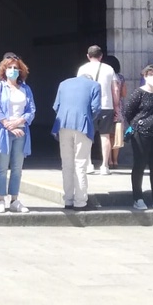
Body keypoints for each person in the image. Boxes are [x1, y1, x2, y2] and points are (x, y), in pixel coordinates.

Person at [121, 65, 153, 211]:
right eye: (151, 74)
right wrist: (138, 124)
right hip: (142, 134)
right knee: (140, 164)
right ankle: (138, 197)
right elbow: (128, 112)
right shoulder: (139, 93)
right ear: (144, 76)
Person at [0, 55, 36, 214]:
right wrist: (8, 125)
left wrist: (19, 122)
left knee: (17, 167)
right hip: (4, 131)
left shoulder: (25, 88)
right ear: (4, 70)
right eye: (10, 68)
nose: (13, 70)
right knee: (2, 166)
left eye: (16, 68)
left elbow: (31, 110)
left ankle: (14, 199)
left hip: (21, 130)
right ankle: (1, 198)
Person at [52, 70, 102, 210]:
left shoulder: (63, 84)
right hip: (83, 125)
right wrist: (87, 120)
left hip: (63, 124)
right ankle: (80, 202)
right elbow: (95, 108)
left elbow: (56, 106)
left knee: (66, 164)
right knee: (80, 164)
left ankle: (68, 200)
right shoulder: (94, 85)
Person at [77, 46, 121, 175]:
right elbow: (116, 89)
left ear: (88, 56)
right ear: (101, 56)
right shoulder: (109, 69)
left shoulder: (82, 69)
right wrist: (116, 106)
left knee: (88, 136)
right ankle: (104, 165)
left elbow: (79, 88)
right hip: (106, 106)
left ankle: (89, 164)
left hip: (88, 107)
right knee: (105, 136)